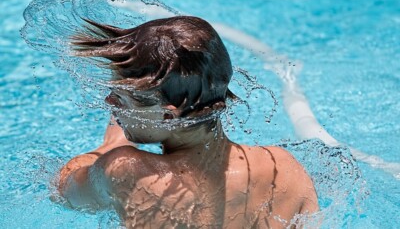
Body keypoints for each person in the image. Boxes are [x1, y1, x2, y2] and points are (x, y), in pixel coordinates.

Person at [58, 16, 318, 228]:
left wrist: (111, 145)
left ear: (168, 116)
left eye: (121, 98)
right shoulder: (285, 169)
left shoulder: (128, 171)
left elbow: (64, 188)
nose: (109, 102)